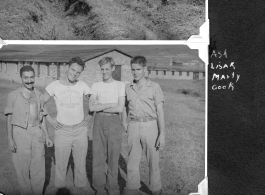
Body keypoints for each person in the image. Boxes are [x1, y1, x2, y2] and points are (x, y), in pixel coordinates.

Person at [42, 57, 92, 191]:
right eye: (73, 69)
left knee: (80, 162)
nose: (74, 74)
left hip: (80, 130)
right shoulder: (54, 85)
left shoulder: (82, 85)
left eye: (78, 72)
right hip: (62, 131)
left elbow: (94, 100)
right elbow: (40, 102)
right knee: (61, 164)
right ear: (67, 68)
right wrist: (50, 119)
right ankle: (60, 188)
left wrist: (90, 116)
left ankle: (80, 187)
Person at [4, 65, 53, 195]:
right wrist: (10, 139)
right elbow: (9, 119)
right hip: (20, 134)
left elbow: (42, 118)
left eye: (31, 77)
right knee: (22, 170)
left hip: (37, 133)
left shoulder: (39, 95)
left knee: (38, 169)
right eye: (26, 78)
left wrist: (47, 136)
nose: (29, 81)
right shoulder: (12, 96)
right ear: (21, 78)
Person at [122, 56, 166, 195]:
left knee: (153, 162)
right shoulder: (128, 87)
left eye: (138, 69)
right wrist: (124, 122)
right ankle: (132, 189)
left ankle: (156, 190)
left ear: (145, 69)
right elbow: (124, 106)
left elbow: (160, 111)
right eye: (133, 69)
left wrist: (162, 134)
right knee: (132, 163)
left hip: (150, 126)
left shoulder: (154, 87)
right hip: (133, 125)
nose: (135, 72)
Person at [89, 57, 125, 195]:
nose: (104, 72)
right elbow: (92, 107)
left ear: (113, 68)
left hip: (114, 122)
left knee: (113, 156)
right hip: (98, 121)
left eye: (107, 69)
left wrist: (101, 106)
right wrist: (111, 104)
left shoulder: (120, 85)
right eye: (102, 69)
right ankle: (99, 188)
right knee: (98, 155)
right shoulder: (96, 85)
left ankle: (112, 188)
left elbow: (120, 108)